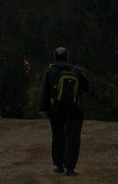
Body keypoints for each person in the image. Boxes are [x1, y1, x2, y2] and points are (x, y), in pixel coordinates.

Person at [38, 47, 89, 176]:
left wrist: (43, 108)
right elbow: (87, 87)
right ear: (67, 57)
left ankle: (58, 165)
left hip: (56, 109)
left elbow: (44, 90)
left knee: (58, 135)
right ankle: (70, 168)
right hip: (74, 108)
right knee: (73, 138)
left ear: (55, 57)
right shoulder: (76, 70)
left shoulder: (50, 70)